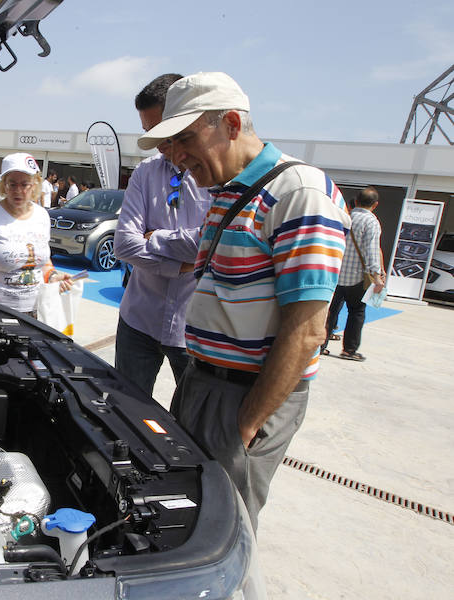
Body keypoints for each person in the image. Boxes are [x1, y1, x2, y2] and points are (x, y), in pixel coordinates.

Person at [138, 72, 351, 530]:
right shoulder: (225, 192)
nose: (175, 156)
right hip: (203, 383)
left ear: (231, 123)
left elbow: (309, 329)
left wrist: (247, 423)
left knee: (222, 529)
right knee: (186, 513)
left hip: (243, 397)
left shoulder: (300, 194)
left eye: (185, 139)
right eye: (170, 144)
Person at [113, 74, 212, 397]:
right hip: (138, 320)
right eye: (149, 133)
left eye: (164, 134)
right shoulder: (145, 172)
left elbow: (210, 243)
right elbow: (125, 244)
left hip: (194, 329)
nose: (158, 144)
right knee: (127, 411)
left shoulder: (216, 176)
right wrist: (180, 264)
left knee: (192, 423)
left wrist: (155, 237)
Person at [0, 153, 72, 316]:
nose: (18, 190)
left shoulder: (42, 216)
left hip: (36, 311)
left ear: (35, 185)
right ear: (4, 185)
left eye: (25, 184)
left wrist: (52, 276)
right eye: (12, 184)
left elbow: (42, 260)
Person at [322, 187, 385, 360]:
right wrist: (377, 275)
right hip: (357, 276)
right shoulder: (371, 222)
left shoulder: (344, 216)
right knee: (356, 311)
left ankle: (320, 345)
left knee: (330, 311)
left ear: (356, 201)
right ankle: (349, 350)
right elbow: (372, 251)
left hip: (335, 273)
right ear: (375, 205)